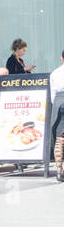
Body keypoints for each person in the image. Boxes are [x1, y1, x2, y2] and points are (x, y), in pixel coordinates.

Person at [49, 50, 64, 183]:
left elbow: (52, 95)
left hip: (59, 101)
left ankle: (59, 171)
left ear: (61, 58)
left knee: (60, 138)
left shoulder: (55, 73)